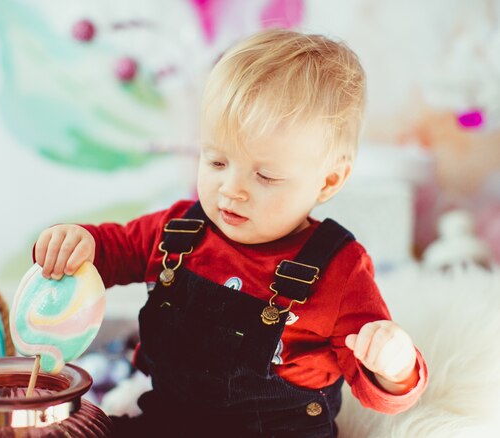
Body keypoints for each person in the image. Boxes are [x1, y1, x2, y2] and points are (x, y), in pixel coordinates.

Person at [33, 28, 428, 437]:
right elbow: (115, 250)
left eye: (266, 176)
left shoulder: (339, 272)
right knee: (75, 431)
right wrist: (81, 243)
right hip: (170, 423)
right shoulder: (179, 230)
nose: (231, 189)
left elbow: (380, 393)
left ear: (328, 181)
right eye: (217, 162)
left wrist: (394, 366)